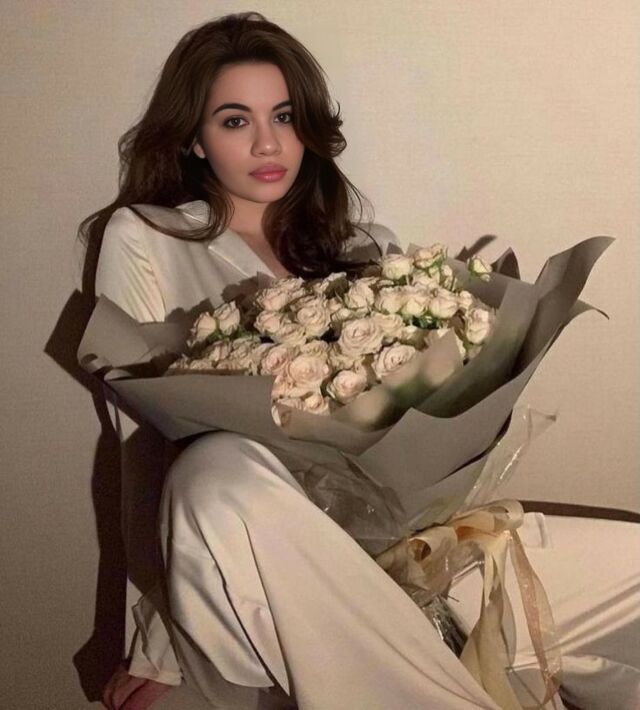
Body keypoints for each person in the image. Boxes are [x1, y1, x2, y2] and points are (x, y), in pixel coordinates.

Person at [79, 11, 639, 710]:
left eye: (285, 116)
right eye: (234, 120)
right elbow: (141, 449)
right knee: (216, 466)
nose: (267, 143)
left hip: (393, 552)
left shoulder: (367, 248)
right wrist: (156, 640)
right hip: (250, 568)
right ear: (193, 138)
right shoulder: (145, 237)